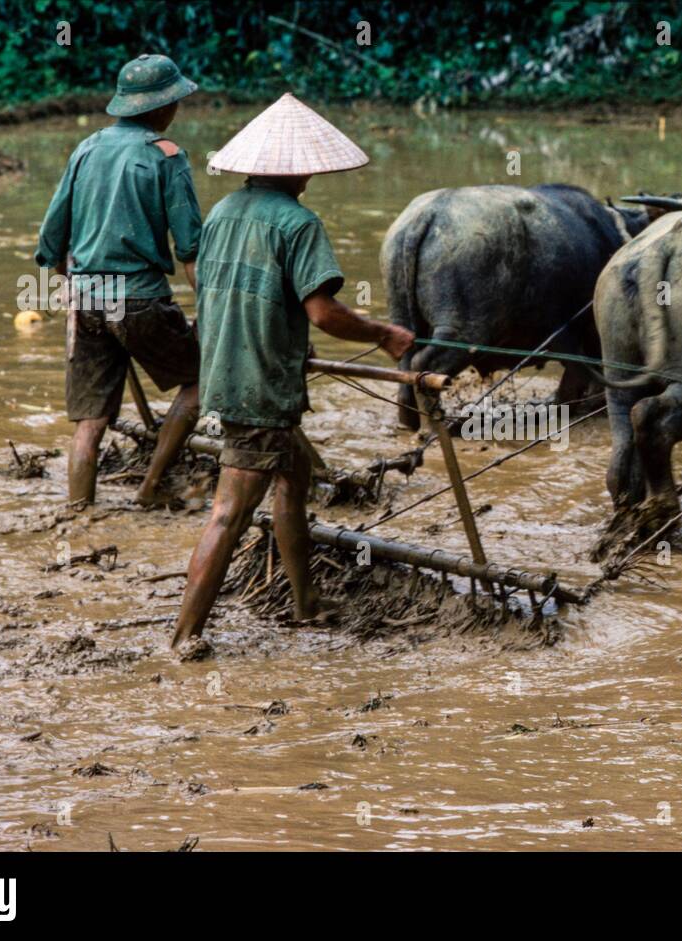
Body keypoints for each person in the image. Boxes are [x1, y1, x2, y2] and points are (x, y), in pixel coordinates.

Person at [171, 94, 415, 649]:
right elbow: (323, 311)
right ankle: (185, 636)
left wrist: (277, 338)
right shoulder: (299, 224)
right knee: (229, 513)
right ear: (299, 167)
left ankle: (306, 604)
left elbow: (214, 292)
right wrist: (383, 333)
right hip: (259, 388)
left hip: (225, 372)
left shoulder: (223, 214)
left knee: (293, 478)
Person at [35, 53, 203, 506]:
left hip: (87, 299)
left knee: (89, 423)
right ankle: (152, 486)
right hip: (140, 300)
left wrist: (74, 286)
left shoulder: (87, 148)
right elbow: (190, 249)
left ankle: (77, 513)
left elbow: (51, 239)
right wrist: (212, 310)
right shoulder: (167, 157)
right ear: (161, 107)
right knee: (202, 379)